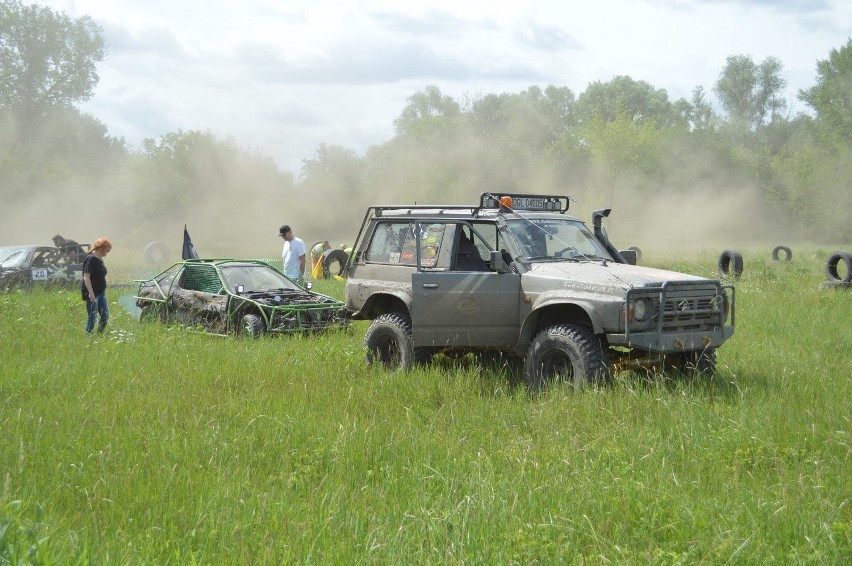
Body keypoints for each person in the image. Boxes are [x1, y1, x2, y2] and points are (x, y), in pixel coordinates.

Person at [81, 237, 112, 334]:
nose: (108, 252)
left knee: (105, 315)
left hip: (101, 293)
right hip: (93, 294)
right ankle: (88, 337)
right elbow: (86, 277)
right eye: (108, 249)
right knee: (92, 317)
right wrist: (91, 294)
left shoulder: (100, 259)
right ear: (102, 248)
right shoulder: (91, 259)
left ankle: (99, 334)